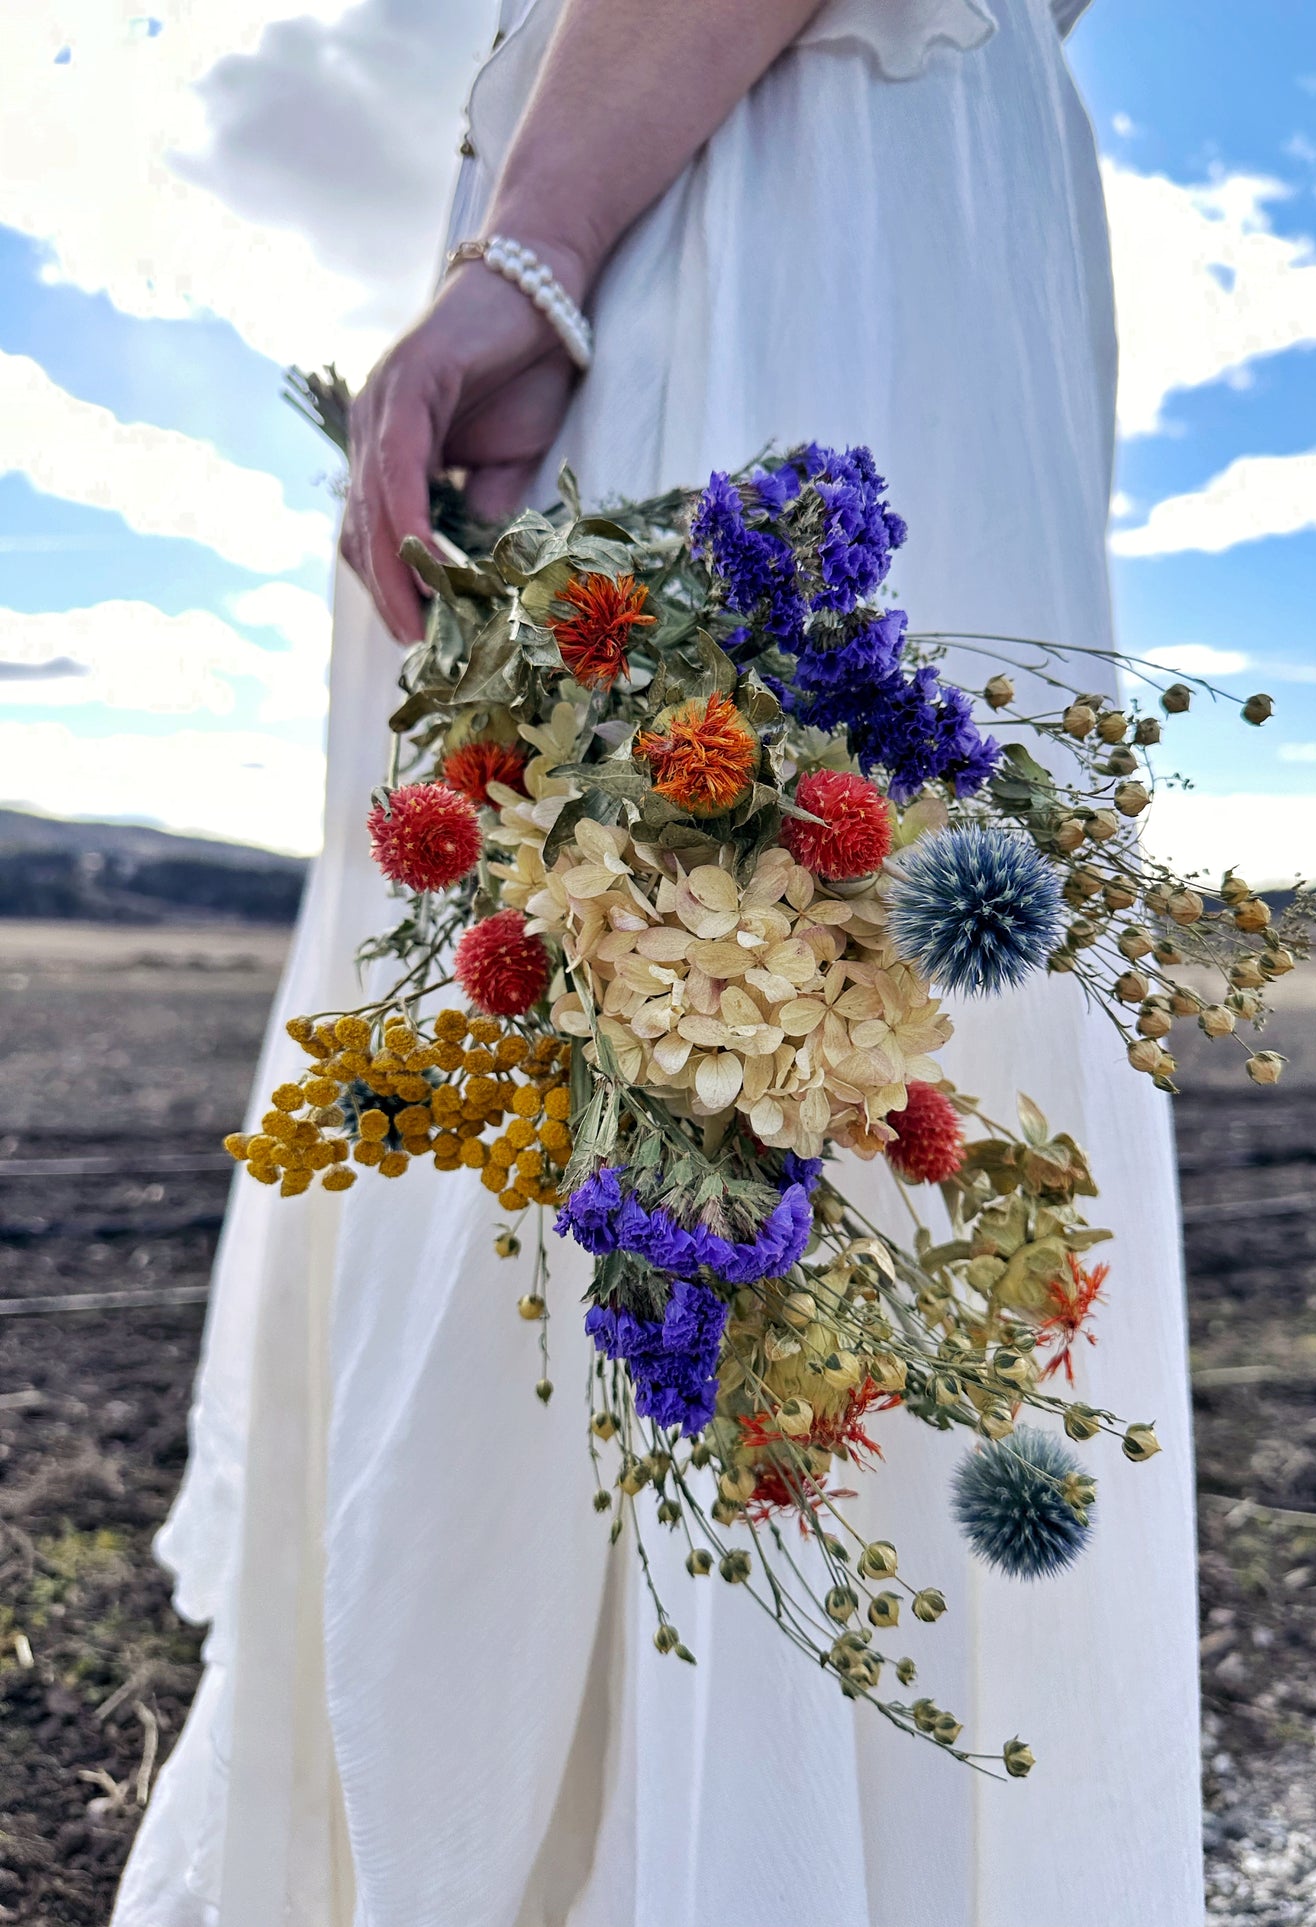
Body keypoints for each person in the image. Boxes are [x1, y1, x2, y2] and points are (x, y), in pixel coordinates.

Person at [114, 2, 1204, 1921]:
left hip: (741, 190)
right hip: (906, 199)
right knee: (764, 1056)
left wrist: (528, 256)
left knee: (674, 1073)